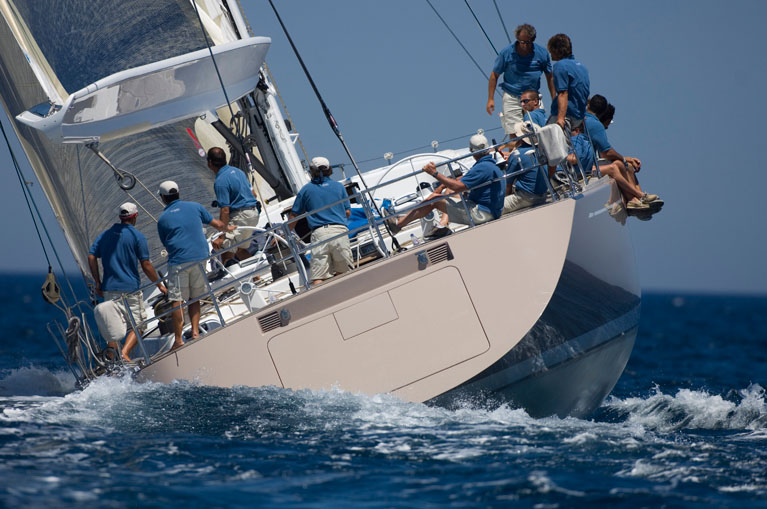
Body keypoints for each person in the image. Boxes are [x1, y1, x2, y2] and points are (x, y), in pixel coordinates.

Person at [156, 181, 233, 349]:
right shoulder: (195, 207)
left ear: (163, 197)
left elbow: (166, 244)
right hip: (200, 257)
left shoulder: (162, 219)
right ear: (178, 193)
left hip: (179, 261)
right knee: (195, 297)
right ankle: (196, 332)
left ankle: (178, 340)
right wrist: (229, 227)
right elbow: (218, 225)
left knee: (177, 300)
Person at [88, 202, 166, 361]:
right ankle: (124, 354)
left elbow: (91, 256)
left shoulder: (105, 235)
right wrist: (160, 285)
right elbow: (146, 264)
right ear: (135, 216)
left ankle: (111, 357)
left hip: (109, 289)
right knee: (139, 325)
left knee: (113, 325)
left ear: (120, 217)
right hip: (129, 289)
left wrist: (97, 281)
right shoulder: (137, 236)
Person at [387, 134, 505, 231]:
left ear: (472, 151)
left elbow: (459, 187)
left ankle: (399, 224)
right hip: (490, 211)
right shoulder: (489, 165)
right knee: (448, 192)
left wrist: (434, 173)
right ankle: (442, 225)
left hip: (482, 214)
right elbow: (463, 180)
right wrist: (443, 186)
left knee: (434, 200)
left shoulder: (482, 167)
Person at [584, 95, 661, 210]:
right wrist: (623, 159)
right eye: (609, 122)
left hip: (589, 164)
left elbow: (603, 154)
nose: (608, 126)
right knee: (618, 166)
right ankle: (637, 197)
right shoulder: (595, 125)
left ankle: (638, 200)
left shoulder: (585, 120)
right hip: (586, 168)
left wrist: (626, 159)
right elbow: (606, 153)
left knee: (626, 165)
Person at [289, 157, 353, 285]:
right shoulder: (339, 187)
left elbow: (294, 215)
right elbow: (347, 213)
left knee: (319, 277)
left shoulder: (306, 190)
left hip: (319, 234)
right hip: (339, 231)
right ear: (329, 169)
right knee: (345, 273)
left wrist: (285, 233)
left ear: (312, 171)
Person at [487, 24, 555, 135]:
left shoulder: (542, 53)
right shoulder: (507, 52)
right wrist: (491, 99)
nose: (524, 46)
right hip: (512, 96)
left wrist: (554, 98)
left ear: (532, 40)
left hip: (533, 97)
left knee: (540, 131)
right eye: (521, 42)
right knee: (515, 133)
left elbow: (550, 76)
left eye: (528, 42)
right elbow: (494, 75)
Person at [545, 33, 590, 177]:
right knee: (559, 148)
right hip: (578, 115)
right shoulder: (581, 67)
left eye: (551, 51)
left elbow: (563, 93)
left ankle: (550, 179)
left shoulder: (560, 66)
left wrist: (560, 118)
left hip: (566, 115)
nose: (550, 54)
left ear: (556, 50)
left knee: (546, 147)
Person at [207, 147, 260, 266]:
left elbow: (225, 210)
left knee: (224, 248)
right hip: (253, 214)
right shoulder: (238, 172)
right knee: (240, 249)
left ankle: (232, 277)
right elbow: (254, 194)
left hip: (240, 216)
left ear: (210, 162)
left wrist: (221, 236)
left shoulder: (220, 181)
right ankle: (256, 275)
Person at [503, 123, 549, 214]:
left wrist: (505, 198)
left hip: (526, 197)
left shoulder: (517, 154)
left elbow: (508, 186)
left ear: (520, 137)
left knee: (494, 209)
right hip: (543, 195)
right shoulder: (542, 150)